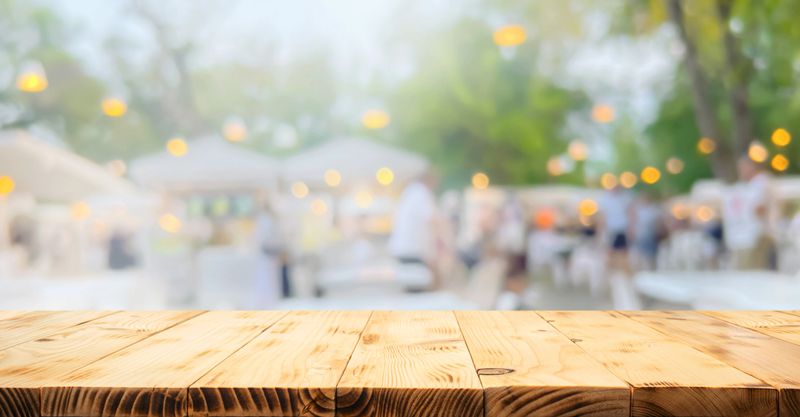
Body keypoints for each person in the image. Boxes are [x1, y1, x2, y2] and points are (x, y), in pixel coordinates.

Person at [722, 156, 773, 269]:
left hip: (757, 234)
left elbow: (760, 208)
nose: (741, 171)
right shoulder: (750, 185)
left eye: (743, 168)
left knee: (751, 268)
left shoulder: (760, 183)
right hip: (748, 234)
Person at [389, 171, 439, 283]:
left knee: (412, 284)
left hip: (403, 249)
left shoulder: (410, 192)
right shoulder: (421, 193)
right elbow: (432, 219)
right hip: (413, 251)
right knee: (418, 285)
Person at [253, 202, 283, 307]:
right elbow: (262, 240)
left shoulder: (268, 220)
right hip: (265, 256)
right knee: (265, 283)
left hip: (270, 256)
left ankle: (268, 303)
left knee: (269, 283)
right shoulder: (265, 220)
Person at [599, 185, 633, 275]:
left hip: (621, 229)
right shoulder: (605, 199)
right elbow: (603, 217)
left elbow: (631, 213)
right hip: (611, 230)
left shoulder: (625, 198)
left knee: (621, 254)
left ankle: (624, 275)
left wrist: (631, 229)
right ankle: (612, 275)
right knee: (610, 254)